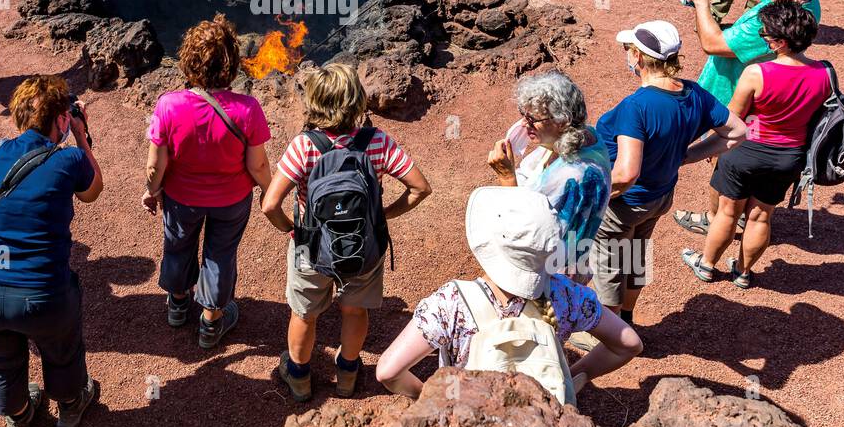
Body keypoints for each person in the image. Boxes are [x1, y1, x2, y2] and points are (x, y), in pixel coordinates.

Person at [261, 62, 432, 402]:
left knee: (304, 313)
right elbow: (420, 188)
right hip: (364, 246)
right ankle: (347, 376)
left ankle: (299, 379)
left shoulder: (304, 147)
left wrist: (292, 230)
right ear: (357, 101)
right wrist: (382, 216)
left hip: (312, 247)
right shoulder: (377, 142)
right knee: (355, 310)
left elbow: (269, 205)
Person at [376, 186, 641, 400]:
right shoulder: (567, 295)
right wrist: (571, 377)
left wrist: (429, 397)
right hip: (540, 412)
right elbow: (629, 344)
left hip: (472, 411)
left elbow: (388, 372)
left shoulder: (451, 302)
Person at [0, 75, 104, 427]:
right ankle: (70, 405)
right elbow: (92, 192)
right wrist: (82, 136)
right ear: (61, 120)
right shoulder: (69, 158)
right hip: (41, 295)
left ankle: (19, 413)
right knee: (61, 346)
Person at [591, 21, 746, 327]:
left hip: (623, 204)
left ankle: (607, 335)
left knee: (608, 265)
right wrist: (687, 156)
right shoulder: (694, 93)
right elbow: (738, 130)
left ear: (638, 57)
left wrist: (592, 198)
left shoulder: (636, 106)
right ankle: (626, 318)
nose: (626, 55)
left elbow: (626, 172)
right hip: (660, 197)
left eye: (628, 49)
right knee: (635, 252)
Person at [682, 0, 832, 289]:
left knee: (728, 212)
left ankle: (706, 264)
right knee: (762, 216)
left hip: (745, 151)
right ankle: (743, 271)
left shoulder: (757, 73)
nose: (763, 39)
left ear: (778, 43)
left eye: (766, 35)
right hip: (789, 157)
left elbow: (732, 120)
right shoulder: (824, 73)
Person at [144, 15, 272, 349]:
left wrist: (152, 190)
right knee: (220, 256)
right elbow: (257, 164)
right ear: (232, 63)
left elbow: (156, 162)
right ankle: (211, 323)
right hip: (230, 200)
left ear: (187, 60)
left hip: (180, 198)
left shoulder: (168, 106)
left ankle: (177, 304)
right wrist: (270, 192)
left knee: (178, 245)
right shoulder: (248, 109)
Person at [676, 0, 821, 235]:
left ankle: (717, 220)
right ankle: (741, 214)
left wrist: (702, 1)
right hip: (769, 112)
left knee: (724, 161)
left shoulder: (765, 21)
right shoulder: (807, 1)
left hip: (733, 97)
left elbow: (713, 45)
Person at [486, 69, 612, 264]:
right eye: (523, 115)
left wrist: (506, 177)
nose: (523, 124)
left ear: (562, 121)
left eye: (532, 119)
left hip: (551, 273)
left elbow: (524, 230)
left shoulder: (572, 174)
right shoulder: (581, 136)